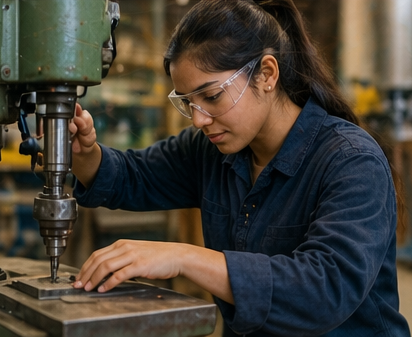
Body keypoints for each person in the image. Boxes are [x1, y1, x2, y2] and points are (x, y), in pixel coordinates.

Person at [70, 0, 410, 335]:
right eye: (188, 102)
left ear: (267, 74)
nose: (200, 119)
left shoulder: (351, 161)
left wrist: (183, 257)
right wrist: (83, 154)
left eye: (213, 97)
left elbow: (323, 291)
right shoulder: (212, 150)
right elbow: (133, 176)